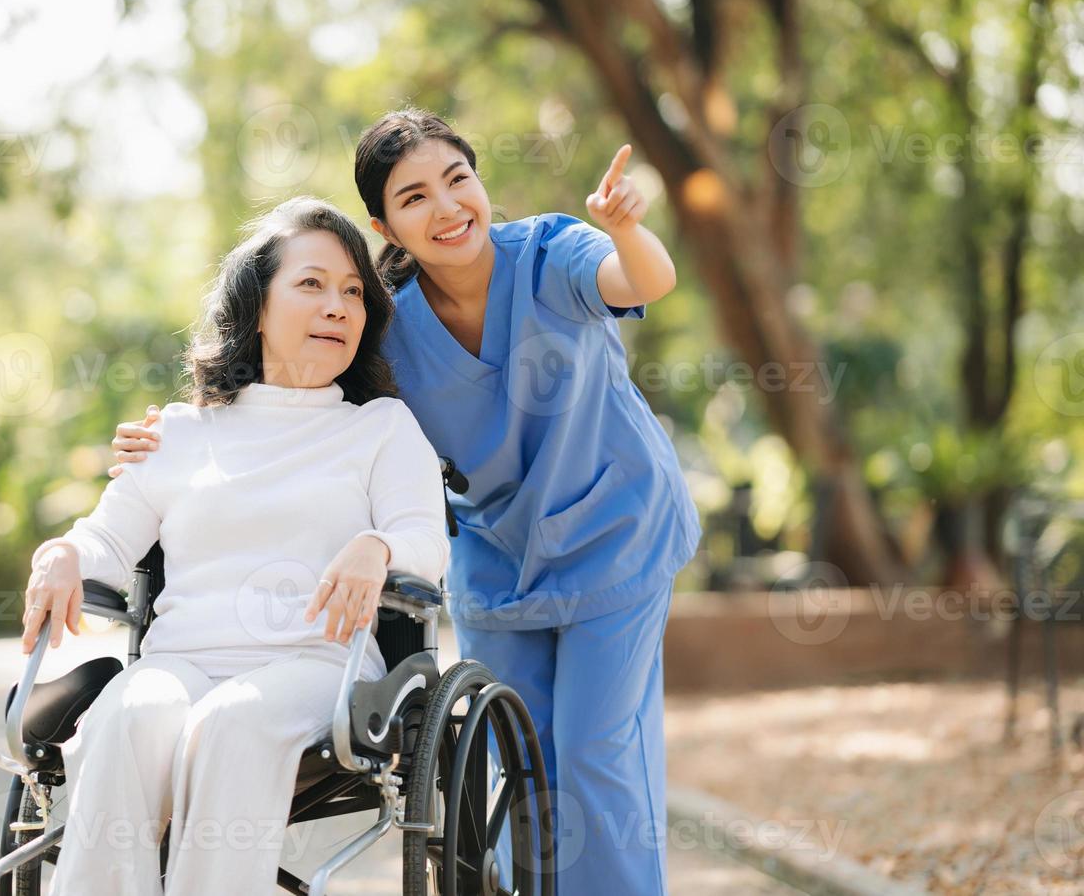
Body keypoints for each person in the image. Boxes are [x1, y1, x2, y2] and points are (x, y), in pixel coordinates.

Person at [111, 108, 701, 895]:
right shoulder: (388, 321)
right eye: (415, 196)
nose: (448, 208)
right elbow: (294, 399)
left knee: (596, 750)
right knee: (523, 770)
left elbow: (644, 279)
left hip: (618, 529)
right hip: (500, 557)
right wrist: (175, 433)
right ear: (383, 222)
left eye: (458, 179)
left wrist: (627, 228)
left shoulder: (553, 254)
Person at [22, 196, 450, 896]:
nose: (338, 306)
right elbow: (105, 534)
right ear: (256, 306)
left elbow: (425, 543)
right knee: (125, 716)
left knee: (230, 723)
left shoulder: (381, 429)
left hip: (316, 666)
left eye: (352, 292)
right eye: (311, 284)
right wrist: (63, 555)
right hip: (184, 659)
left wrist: (377, 546)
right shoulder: (182, 433)